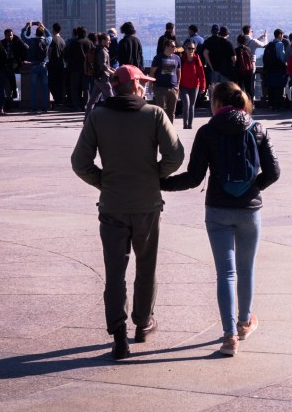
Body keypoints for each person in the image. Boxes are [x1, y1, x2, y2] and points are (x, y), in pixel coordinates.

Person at [71, 65, 184, 360]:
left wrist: (104, 182)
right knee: (146, 266)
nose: (145, 88)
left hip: (112, 205)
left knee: (115, 272)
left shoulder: (98, 116)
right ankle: (143, 323)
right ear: (133, 86)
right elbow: (176, 155)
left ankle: (118, 334)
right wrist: (155, 176)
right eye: (142, 84)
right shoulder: (154, 114)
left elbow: (80, 162)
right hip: (147, 204)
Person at [160, 82, 279, 356]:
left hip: (217, 209)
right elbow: (273, 172)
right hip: (250, 210)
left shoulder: (207, 131)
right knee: (246, 268)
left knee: (226, 273)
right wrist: (252, 188)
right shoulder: (257, 128)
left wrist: (159, 183)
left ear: (216, 102)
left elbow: (194, 178)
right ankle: (244, 322)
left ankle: (229, 338)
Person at [150, 38, 182, 123]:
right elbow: (152, 72)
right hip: (160, 88)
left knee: (172, 112)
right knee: (162, 111)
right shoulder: (158, 58)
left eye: (175, 46)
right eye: (172, 46)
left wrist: (177, 85)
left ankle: (170, 130)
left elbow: (179, 72)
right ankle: (162, 130)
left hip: (173, 88)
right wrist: (151, 86)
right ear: (166, 47)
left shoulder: (177, 58)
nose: (175, 48)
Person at [85, 33, 116, 119]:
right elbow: (103, 66)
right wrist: (113, 73)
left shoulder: (99, 50)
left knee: (92, 101)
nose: (110, 42)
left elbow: (104, 66)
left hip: (98, 78)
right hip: (103, 79)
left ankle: (87, 119)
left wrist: (112, 70)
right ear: (103, 41)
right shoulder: (102, 51)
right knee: (112, 100)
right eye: (108, 40)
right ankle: (115, 119)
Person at [179, 41, 206, 130]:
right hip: (183, 86)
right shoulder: (182, 59)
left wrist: (203, 87)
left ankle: (190, 125)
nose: (191, 50)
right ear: (185, 49)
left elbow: (201, 73)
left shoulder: (197, 59)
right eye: (189, 48)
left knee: (192, 105)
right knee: (186, 104)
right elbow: (177, 73)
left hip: (194, 86)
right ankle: (185, 124)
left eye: (193, 48)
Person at [66, 26, 93, 111]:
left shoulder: (74, 43)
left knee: (74, 87)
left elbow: (68, 55)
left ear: (77, 33)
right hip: (87, 69)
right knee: (86, 88)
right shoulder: (89, 43)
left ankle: (76, 105)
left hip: (75, 68)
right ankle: (84, 105)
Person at [262, 29, 288, 110]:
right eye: (282, 35)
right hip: (278, 69)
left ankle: (271, 104)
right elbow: (282, 58)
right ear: (280, 35)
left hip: (270, 69)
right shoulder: (280, 44)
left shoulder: (270, 44)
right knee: (279, 87)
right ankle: (278, 105)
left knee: (271, 87)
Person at [3, 28, 29, 105]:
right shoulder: (3, 43)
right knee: (8, 72)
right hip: (6, 61)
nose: (10, 37)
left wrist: (24, 59)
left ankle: (14, 90)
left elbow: (26, 48)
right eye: (8, 35)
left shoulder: (17, 41)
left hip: (15, 60)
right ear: (5, 36)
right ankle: (10, 94)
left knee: (10, 70)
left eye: (11, 35)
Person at [47, 23, 67, 108]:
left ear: (53, 30)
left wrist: (48, 61)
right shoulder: (62, 40)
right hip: (61, 64)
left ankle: (57, 100)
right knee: (59, 84)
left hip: (53, 65)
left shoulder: (53, 40)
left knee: (52, 84)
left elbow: (49, 52)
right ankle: (59, 101)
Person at [234, 34, 256, 100]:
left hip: (239, 71)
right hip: (248, 71)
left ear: (238, 41)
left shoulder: (235, 50)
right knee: (248, 89)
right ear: (245, 42)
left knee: (239, 89)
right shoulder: (248, 49)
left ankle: (239, 104)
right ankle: (250, 104)